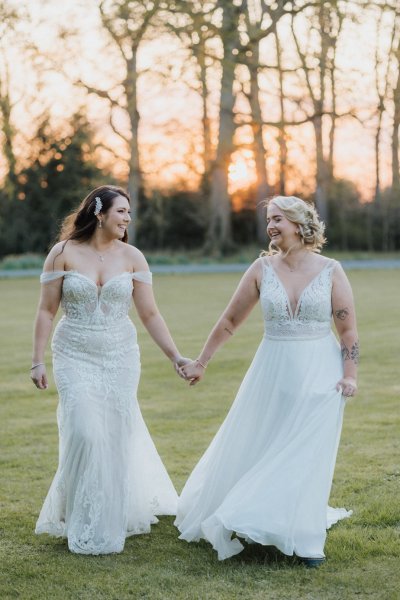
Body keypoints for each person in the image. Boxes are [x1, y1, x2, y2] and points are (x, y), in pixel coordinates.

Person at [176, 195, 358, 567]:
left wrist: (349, 376)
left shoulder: (331, 270)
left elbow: (348, 329)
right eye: (269, 220)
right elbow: (229, 321)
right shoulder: (261, 269)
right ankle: (253, 514)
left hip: (321, 371)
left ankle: (304, 537)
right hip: (272, 368)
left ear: (299, 224)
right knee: (264, 442)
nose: (271, 226)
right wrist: (202, 362)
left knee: (306, 451)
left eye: (278, 219)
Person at [31, 185, 189, 555]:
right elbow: (45, 311)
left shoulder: (133, 257)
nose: (127, 220)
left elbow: (150, 313)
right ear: (99, 213)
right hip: (74, 355)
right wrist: (37, 359)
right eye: (122, 212)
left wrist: (176, 357)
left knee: (115, 437)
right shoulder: (63, 253)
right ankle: (80, 514)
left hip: (120, 357)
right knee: (85, 432)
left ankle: (108, 516)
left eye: (129, 214)